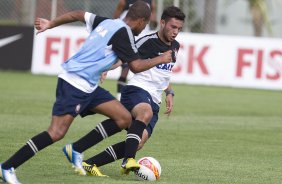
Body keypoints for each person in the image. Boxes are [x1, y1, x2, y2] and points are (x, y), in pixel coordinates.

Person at [0, 1, 173, 184]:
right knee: (56, 132)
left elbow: (78, 14)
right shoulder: (126, 33)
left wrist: (50, 23)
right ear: (140, 20)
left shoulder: (108, 22)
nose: (144, 28)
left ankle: (76, 150)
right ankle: (7, 167)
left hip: (90, 86)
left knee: (123, 118)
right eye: (145, 24)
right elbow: (136, 66)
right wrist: (161, 58)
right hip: (74, 82)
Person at [80, 6, 185, 176]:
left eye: (179, 29)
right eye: (173, 27)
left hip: (154, 98)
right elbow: (122, 57)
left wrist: (169, 92)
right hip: (137, 90)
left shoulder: (175, 46)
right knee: (145, 112)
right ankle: (128, 160)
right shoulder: (147, 41)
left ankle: (90, 163)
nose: (176, 32)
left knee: (138, 142)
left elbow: (164, 73)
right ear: (162, 22)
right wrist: (105, 67)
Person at [114, 0, 157, 100]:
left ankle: (144, 95)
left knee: (142, 68)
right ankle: (120, 94)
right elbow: (116, 17)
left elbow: (153, 18)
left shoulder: (151, 2)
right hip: (128, 38)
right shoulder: (124, 1)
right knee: (125, 67)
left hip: (143, 39)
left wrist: (154, 23)